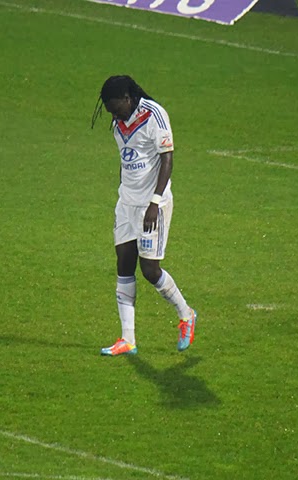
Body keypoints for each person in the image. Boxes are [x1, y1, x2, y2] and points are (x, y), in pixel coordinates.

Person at [91, 75, 197, 356]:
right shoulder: (119, 121)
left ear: (127, 99)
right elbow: (127, 159)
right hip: (126, 204)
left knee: (150, 270)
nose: (113, 115)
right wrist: (124, 194)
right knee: (124, 264)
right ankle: (128, 339)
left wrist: (154, 202)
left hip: (152, 205)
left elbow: (167, 158)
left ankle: (186, 314)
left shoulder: (154, 115)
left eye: (116, 108)